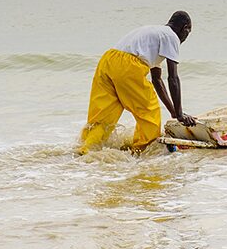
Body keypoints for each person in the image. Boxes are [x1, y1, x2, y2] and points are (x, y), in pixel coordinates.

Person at [79, 11, 196, 154]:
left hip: (108, 61)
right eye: (188, 33)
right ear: (185, 28)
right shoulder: (171, 36)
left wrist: (174, 112)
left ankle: (87, 149)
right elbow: (173, 78)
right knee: (149, 111)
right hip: (128, 65)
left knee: (104, 114)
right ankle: (141, 151)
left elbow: (157, 81)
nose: (185, 38)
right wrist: (180, 114)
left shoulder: (154, 36)